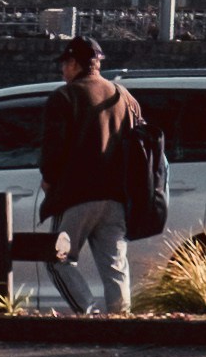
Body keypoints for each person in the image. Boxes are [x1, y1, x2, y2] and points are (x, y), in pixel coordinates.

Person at [33, 36, 146, 313]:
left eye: (65, 63)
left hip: (76, 195)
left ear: (74, 63)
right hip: (116, 197)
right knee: (114, 265)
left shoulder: (64, 97)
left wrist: (49, 181)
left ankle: (88, 315)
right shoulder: (125, 97)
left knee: (57, 259)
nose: (62, 70)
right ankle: (121, 319)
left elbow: (53, 149)